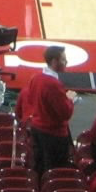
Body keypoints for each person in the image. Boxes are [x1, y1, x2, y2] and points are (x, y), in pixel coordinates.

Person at [16, 44, 76, 176]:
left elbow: (32, 100)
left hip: (37, 130)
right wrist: (70, 99)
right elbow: (65, 114)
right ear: (54, 61)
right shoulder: (53, 84)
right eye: (63, 59)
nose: (66, 62)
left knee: (40, 166)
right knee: (56, 172)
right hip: (54, 135)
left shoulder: (35, 78)